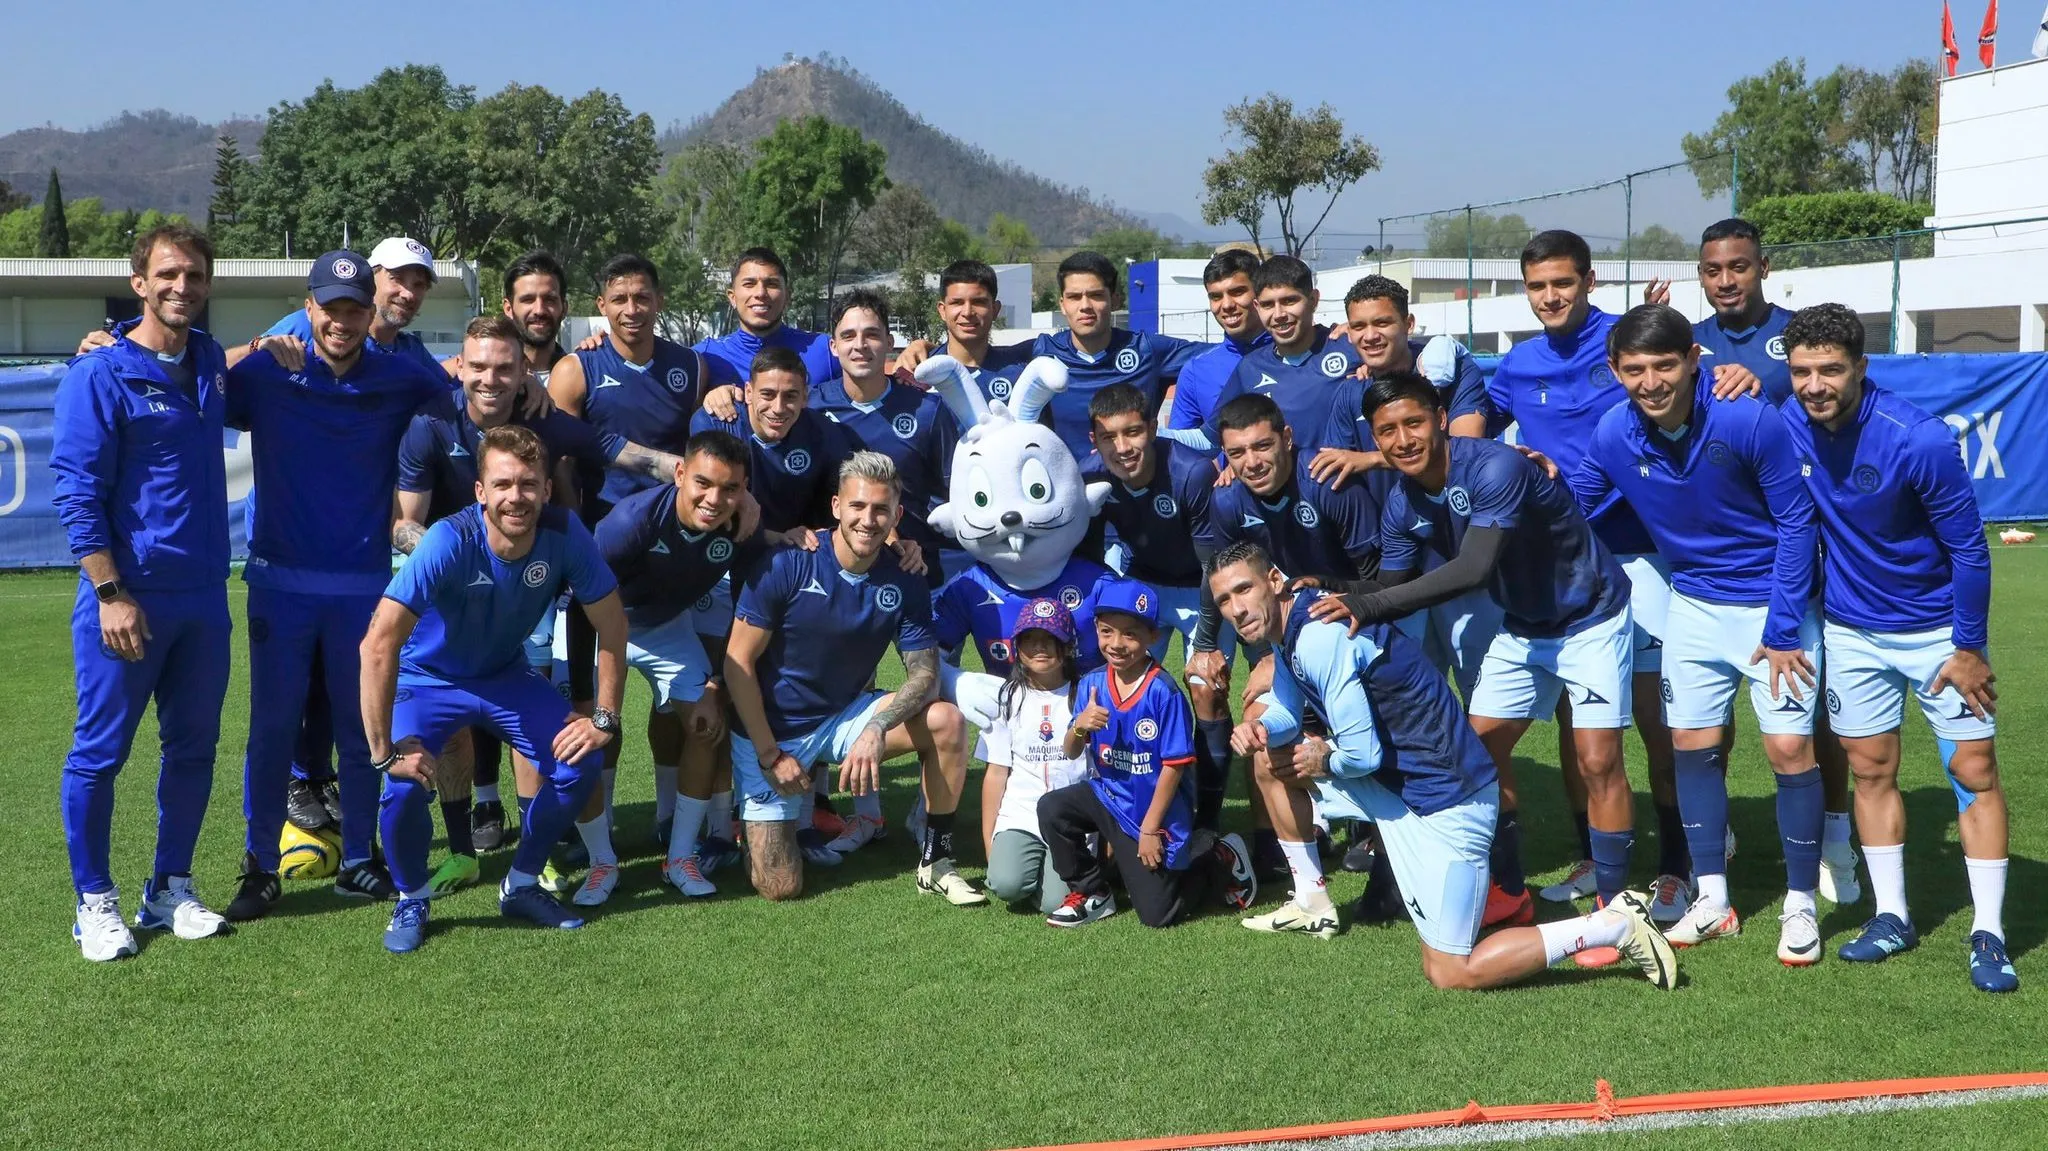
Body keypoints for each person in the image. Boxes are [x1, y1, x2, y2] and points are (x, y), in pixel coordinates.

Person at [1211, 541, 1678, 991]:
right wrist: (1264, 729)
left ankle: (1613, 925)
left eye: (1244, 590)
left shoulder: (1317, 637)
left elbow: (1360, 754)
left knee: (1452, 970)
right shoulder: (1295, 623)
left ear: (1274, 580)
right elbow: (1289, 712)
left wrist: (1324, 758)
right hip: (1400, 786)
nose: (1236, 609)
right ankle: (1313, 900)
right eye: (1224, 600)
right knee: (1271, 763)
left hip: (1447, 801)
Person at [1313, 373, 1640, 965]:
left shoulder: (1496, 467)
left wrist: (1365, 604)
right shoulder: (1401, 497)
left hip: (1588, 618)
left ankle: (1616, 910)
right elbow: (1392, 585)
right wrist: (1332, 587)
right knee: (1479, 758)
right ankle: (1510, 893)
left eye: (1413, 422)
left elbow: (1471, 570)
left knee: (1598, 760)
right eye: (1387, 431)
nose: (1403, 439)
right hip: (1522, 626)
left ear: (1440, 416)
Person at [1568, 304, 1827, 964]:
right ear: (1614, 371)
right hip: (1693, 606)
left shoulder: (1747, 415)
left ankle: (1800, 903)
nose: (1650, 381)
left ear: (1692, 359)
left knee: (1789, 750)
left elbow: (1797, 523)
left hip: (1775, 609)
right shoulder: (1611, 433)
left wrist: (1782, 628)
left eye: (1663, 364)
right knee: (1691, 743)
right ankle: (1714, 898)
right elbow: (1575, 505)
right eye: (1634, 369)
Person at [393, 314, 683, 891]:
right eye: (479, 366)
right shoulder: (429, 422)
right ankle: (462, 847)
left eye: (505, 367)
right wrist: (449, 559)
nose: (491, 379)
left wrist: (701, 476)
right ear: (461, 366)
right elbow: (404, 523)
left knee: (535, 716)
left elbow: (633, 456)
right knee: (450, 724)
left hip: (527, 595)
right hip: (444, 594)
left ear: (525, 369)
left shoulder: (545, 422)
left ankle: (535, 849)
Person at [1778, 304, 2015, 994]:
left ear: (1861, 367)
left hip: (1939, 633)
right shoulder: (1789, 423)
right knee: (1869, 768)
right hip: (1852, 632)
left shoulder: (1918, 439)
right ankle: (1892, 916)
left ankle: (1990, 930)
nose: (1814, 384)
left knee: (1974, 770)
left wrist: (1969, 647)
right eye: (1801, 371)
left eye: (1829, 369)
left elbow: (1970, 549)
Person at [220, 251, 460, 923]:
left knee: (362, 728)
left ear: (369, 311)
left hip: (360, 584)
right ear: (310, 305)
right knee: (272, 728)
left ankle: (359, 857)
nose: (342, 321)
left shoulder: (399, 377)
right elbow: (186, 374)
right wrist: (105, 339)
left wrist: (525, 383)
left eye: (355, 309)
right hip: (279, 582)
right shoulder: (270, 369)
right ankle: (260, 865)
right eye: (331, 307)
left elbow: (471, 396)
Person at [1649, 219, 1860, 902]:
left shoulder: (1798, 335)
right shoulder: (1688, 342)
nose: (1726, 280)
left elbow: (1829, 404)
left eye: (1738, 266)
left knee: (1808, 719)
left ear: (1762, 266)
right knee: (1712, 714)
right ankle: (1723, 836)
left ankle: (1833, 835)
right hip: (1722, 554)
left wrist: (1763, 387)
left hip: (1801, 540)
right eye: (1713, 269)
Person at [360, 425, 630, 953]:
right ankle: (412, 895)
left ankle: (522, 882)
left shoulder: (565, 533)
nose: (516, 497)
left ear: (547, 490)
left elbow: (614, 627)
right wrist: (381, 753)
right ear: (480, 491)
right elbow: (377, 645)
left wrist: (604, 717)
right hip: (427, 679)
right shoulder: (447, 540)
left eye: (529, 484)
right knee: (403, 784)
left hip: (504, 675)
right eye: (503, 484)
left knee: (580, 764)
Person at [1484, 230, 1690, 917]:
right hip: (1565, 565)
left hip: (1639, 555)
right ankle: (1590, 856)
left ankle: (1677, 865)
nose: (1551, 296)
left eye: (1563, 283)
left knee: (1657, 715)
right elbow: (1470, 419)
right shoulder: (1516, 363)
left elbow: (1692, 383)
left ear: (1589, 279)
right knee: (1580, 722)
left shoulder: (1623, 342)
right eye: (1538, 285)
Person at [52, 223, 234, 960]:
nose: (181, 287)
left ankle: (171, 888)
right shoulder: (99, 374)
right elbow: (75, 491)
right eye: (167, 275)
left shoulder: (214, 361)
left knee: (193, 750)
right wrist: (110, 590)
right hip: (129, 598)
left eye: (193, 275)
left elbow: (291, 342)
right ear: (139, 283)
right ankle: (93, 902)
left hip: (204, 597)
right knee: (100, 753)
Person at [722, 452, 984, 905]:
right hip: (774, 732)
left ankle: (936, 859)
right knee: (780, 887)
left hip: (845, 716)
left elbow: (925, 673)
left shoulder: (904, 577)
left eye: (881, 509)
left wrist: (877, 727)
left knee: (947, 721)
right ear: (837, 506)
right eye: (858, 507)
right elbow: (736, 663)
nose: (868, 520)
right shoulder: (788, 563)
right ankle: (749, 818)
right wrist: (770, 755)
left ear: (897, 516)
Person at [594, 430, 765, 899]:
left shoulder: (739, 523)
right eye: (704, 484)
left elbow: (751, 608)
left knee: (707, 724)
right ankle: (599, 856)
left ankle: (681, 858)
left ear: (745, 488)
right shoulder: (631, 521)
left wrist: (714, 684)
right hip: (599, 623)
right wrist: (588, 697)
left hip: (665, 629)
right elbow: (579, 595)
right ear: (680, 473)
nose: (715, 500)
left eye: (731, 489)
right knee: (592, 729)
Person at [1037, 580, 1257, 928]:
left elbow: (1174, 768)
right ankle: (1093, 891)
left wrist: (1150, 830)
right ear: (1096, 629)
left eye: (1130, 634)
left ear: (1153, 636)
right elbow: (1071, 750)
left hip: (1155, 813)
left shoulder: (1162, 692)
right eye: (1107, 631)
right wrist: (1079, 727)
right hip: (1108, 797)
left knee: (1158, 915)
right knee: (1052, 808)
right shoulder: (1092, 684)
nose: (1117, 644)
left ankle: (1218, 857)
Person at [1080, 383, 1233, 829]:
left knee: (1206, 688)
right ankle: (1118, 804)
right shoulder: (1091, 477)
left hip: (1201, 590)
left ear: (1153, 426)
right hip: (1143, 585)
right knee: (1110, 688)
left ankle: (1206, 820)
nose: (1122, 447)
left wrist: (1205, 641)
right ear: (1094, 439)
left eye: (1133, 432)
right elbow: (1089, 560)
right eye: (1109, 437)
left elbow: (1212, 569)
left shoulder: (1191, 472)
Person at [811, 288, 957, 588]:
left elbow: (952, 492)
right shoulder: (810, 408)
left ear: (890, 343)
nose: (860, 345)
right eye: (848, 336)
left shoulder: (927, 409)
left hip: (915, 566)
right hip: (833, 576)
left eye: (872, 335)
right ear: (834, 346)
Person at [1018, 251, 1205, 457]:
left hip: (1134, 482)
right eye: (1074, 297)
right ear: (1062, 304)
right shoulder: (1041, 353)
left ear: (1115, 300)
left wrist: (1217, 436)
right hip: (1067, 486)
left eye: (1096, 295)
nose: (1085, 306)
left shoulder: (1146, 350)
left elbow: (1229, 357)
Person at [1200, 255, 1370, 473]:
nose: (1279, 314)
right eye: (1268, 304)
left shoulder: (1350, 346)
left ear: (1314, 300)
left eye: (1289, 301)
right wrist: (1148, 435)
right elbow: (1209, 438)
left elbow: (1407, 358)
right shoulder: (1249, 368)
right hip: (1285, 498)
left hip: (1348, 495)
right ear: (1257, 306)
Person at [981, 599, 1093, 914]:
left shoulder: (1085, 693)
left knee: (1055, 903)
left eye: (1050, 639)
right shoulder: (1007, 697)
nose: (1040, 647)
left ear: (1068, 646)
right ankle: (1022, 864)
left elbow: (1100, 769)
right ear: (1017, 647)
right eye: (1030, 639)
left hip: (1070, 818)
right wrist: (991, 843)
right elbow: (996, 772)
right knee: (1005, 884)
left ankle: (1058, 871)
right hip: (1021, 813)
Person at [1163, 249, 1269, 439]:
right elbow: (1181, 451)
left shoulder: (1296, 352)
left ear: (1259, 293)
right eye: (1216, 296)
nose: (1226, 305)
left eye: (1237, 292)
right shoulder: (1195, 372)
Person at [695, 246, 837, 386]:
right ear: (732, 297)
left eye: (771, 284)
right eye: (749, 284)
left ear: (787, 296)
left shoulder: (826, 352)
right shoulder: (703, 358)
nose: (760, 293)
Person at [928, 258, 1037, 408]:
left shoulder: (1020, 373)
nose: (967, 312)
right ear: (942, 310)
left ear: (995, 309)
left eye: (978, 302)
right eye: (957, 302)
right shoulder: (919, 373)